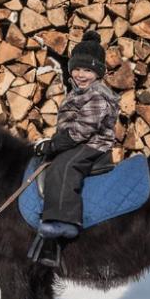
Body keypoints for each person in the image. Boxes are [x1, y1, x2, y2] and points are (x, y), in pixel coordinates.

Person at [33, 31, 118, 242]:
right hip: (79, 141)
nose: (80, 75)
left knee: (65, 165)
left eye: (87, 70)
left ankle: (65, 221)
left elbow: (84, 129)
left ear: (98, 73)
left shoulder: (98, 93)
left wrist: (55, 145)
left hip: (93, 144)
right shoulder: (77, 92)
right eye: (77, 69)